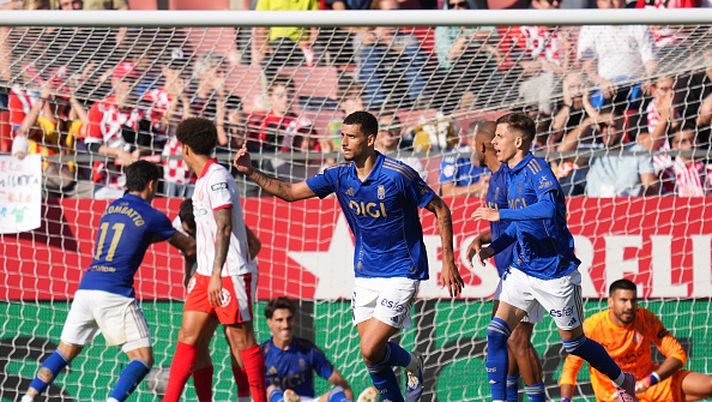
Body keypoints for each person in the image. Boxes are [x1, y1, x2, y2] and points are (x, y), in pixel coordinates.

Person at [233, 111, 464, 402]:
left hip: (402, 272)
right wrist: (251, 172)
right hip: (366, 273)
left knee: (369, 349)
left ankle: (411, 362)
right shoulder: (339, 176)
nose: (343, 142)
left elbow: (441, 209)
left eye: (351, 136)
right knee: (372, 358)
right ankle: (405, 376)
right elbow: (291, 192)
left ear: (370, 139)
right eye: (342, 135)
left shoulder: (398, 174)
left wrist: (448, 261)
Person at [472, 113, 638, 402]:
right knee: (496, 334)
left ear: (519, 141)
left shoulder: (537, 169)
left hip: (555, 274)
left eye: (500, 136)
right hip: (522, 271)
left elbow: (548, 209)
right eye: (494, 136)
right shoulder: (509, 173)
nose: (494, 142)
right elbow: (520, 224)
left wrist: (502, 213)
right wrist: (494, 247)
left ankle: (623, 380)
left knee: (575, 345)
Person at [20, 160, 196, 402]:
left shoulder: (112, 208)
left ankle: (28, 397)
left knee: (64, 351)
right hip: (115, 292)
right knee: (143, 358)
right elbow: (189, 248)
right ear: (151, 184)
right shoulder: (153, 215)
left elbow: (135, 236)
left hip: (86, 288)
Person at [162, 118, 267, 402]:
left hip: (228, 275)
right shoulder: (203, 180)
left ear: (184, 149)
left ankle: (254, 399)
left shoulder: (218, 176)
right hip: (207, 275)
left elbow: (225, 226)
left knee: (240, 342)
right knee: (188, 339)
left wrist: (218, 274)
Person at [465, 120, 545, 402]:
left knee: (517, 340)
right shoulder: (499, 177)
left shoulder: (510, 177)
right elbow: (507, 223)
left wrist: (496, 240)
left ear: (481, 145)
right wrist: (486, 237)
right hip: (508, 270)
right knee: (505, 341)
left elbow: (525, 221)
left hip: (524, 267)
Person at [560, 279, 712, 402]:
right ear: (610, 302)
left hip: (650, 385)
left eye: (633, 301)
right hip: (615, 393)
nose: (629, 306)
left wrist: (648, 381)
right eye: (623, 300)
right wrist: (565, 399)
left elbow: (677, 354)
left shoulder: (644, 318)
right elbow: (570, 369)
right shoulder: (592, 327)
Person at [172, 197, 263, 402]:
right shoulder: (179, 224)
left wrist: (231, 274)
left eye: (194, 233)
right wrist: (189, 274)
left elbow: (254, 245)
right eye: (189, 232)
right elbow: (189, 251)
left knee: (234, 335)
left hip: (232, 272)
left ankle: (244, 397)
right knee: (196, 339)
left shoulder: (220, 218)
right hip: (203, 273)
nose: (192, 236)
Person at [262, 297, 378, 402]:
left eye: (289, 319)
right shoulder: (262, 353)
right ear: (269, 322)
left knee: (337, 391)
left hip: (305, 400)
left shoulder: (307, 350)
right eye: (279, 320)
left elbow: (343, 385)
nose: (285, 324)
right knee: (272, 390)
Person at [438, 121, 489, 197]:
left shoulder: (496, 156)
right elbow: (446, 192)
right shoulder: (454, 156)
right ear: (469, 140)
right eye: (479, 141)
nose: (483, 146)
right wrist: (478, 187)